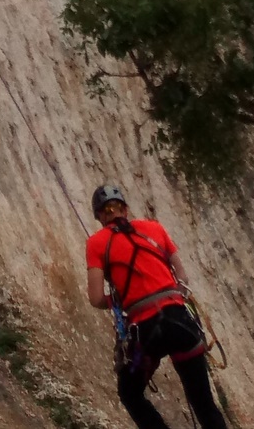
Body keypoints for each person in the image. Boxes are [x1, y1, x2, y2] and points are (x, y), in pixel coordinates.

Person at [86, 184, 228, 429]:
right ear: (125, 209)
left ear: (100, 216)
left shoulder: (97, 243)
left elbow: (96, 298)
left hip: (146, 333)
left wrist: (119, 302)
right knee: (203, 402)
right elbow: (182, 276)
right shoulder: (154, 228)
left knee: (130, 393)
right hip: (181, 323)